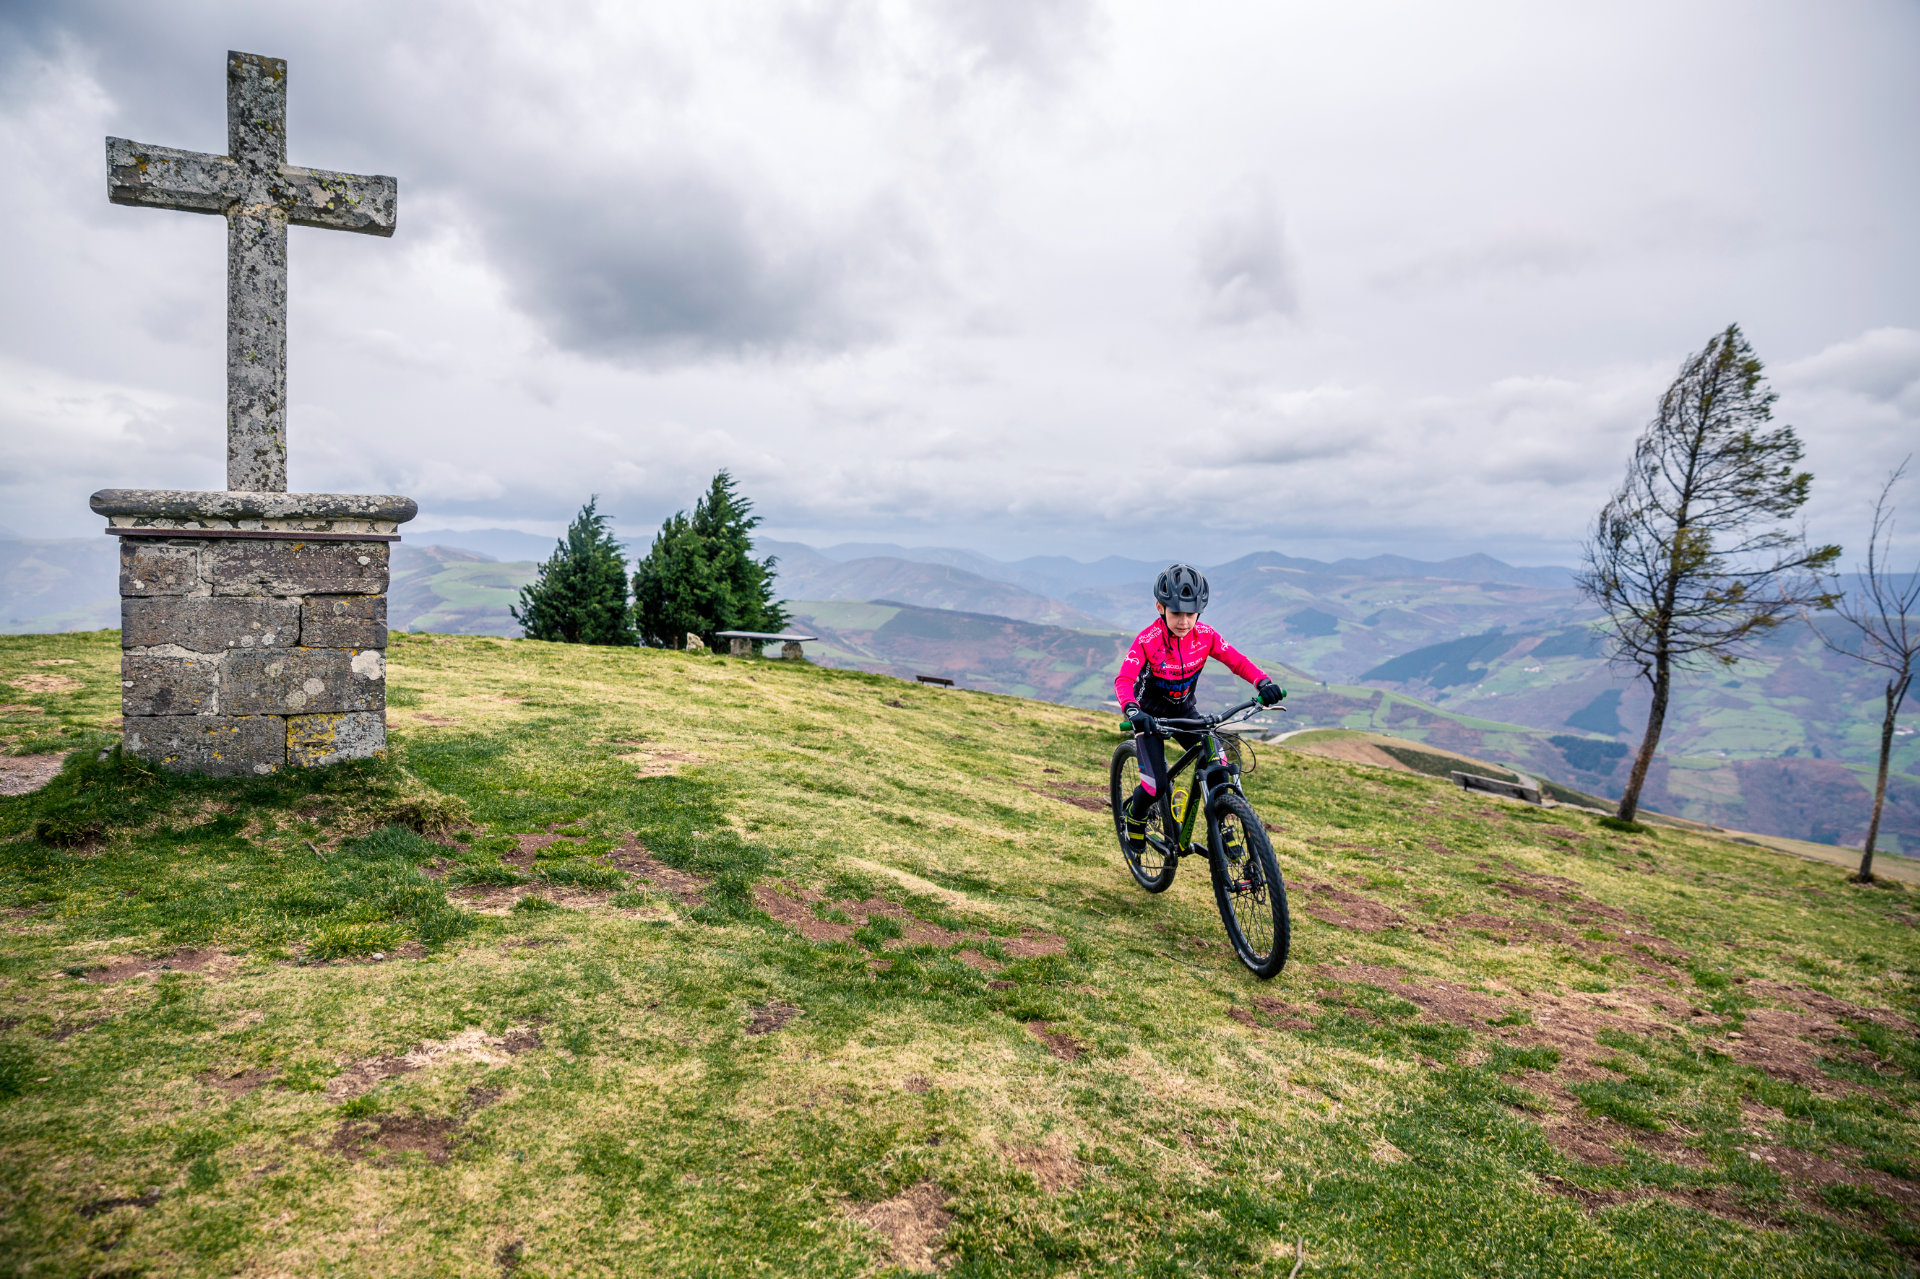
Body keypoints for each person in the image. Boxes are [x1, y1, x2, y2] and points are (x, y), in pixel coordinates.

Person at [1114, 563, 1284, 852]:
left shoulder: (1206, 636)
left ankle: (1223, 827)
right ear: (1160, 607)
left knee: (1219, 769)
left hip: (1185, 712)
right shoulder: (1147, 641)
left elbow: (1237, 661)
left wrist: (1262, 682)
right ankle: (1135, 816)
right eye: (1176, 613)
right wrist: (1132, 710)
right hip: (1149, 717)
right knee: (1155, 786)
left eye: (1190, 613)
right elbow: (1124, 678)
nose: (1184, 621)